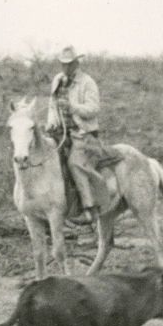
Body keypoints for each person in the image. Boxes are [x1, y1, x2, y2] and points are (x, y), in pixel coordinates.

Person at [45, 46, 117, 226]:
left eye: (69, 64)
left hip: (83, 132)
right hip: (60, 132)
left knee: (74, 163)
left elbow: (94, 109)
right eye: (63, 64)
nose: (66, 68)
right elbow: (52, 106)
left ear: (77, 63)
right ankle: (54, 207)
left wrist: (74, 107)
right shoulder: (57, 80)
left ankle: (88, 207)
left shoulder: (87, 82)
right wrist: (51, 122)